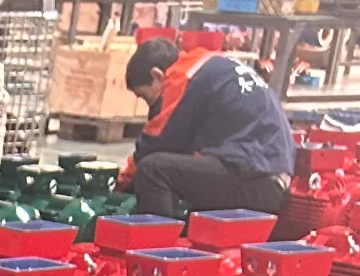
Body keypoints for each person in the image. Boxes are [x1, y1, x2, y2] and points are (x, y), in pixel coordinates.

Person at [120, 34, 295, 220]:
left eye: (146, 97)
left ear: (157, 75)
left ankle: (157, 238)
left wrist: (121, 183)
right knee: (179, 169)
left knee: (152, 170)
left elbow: (155, 142)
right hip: (266, 173)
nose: (150, 106)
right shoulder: (209, 65)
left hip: (255, 179)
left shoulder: (182, 77)